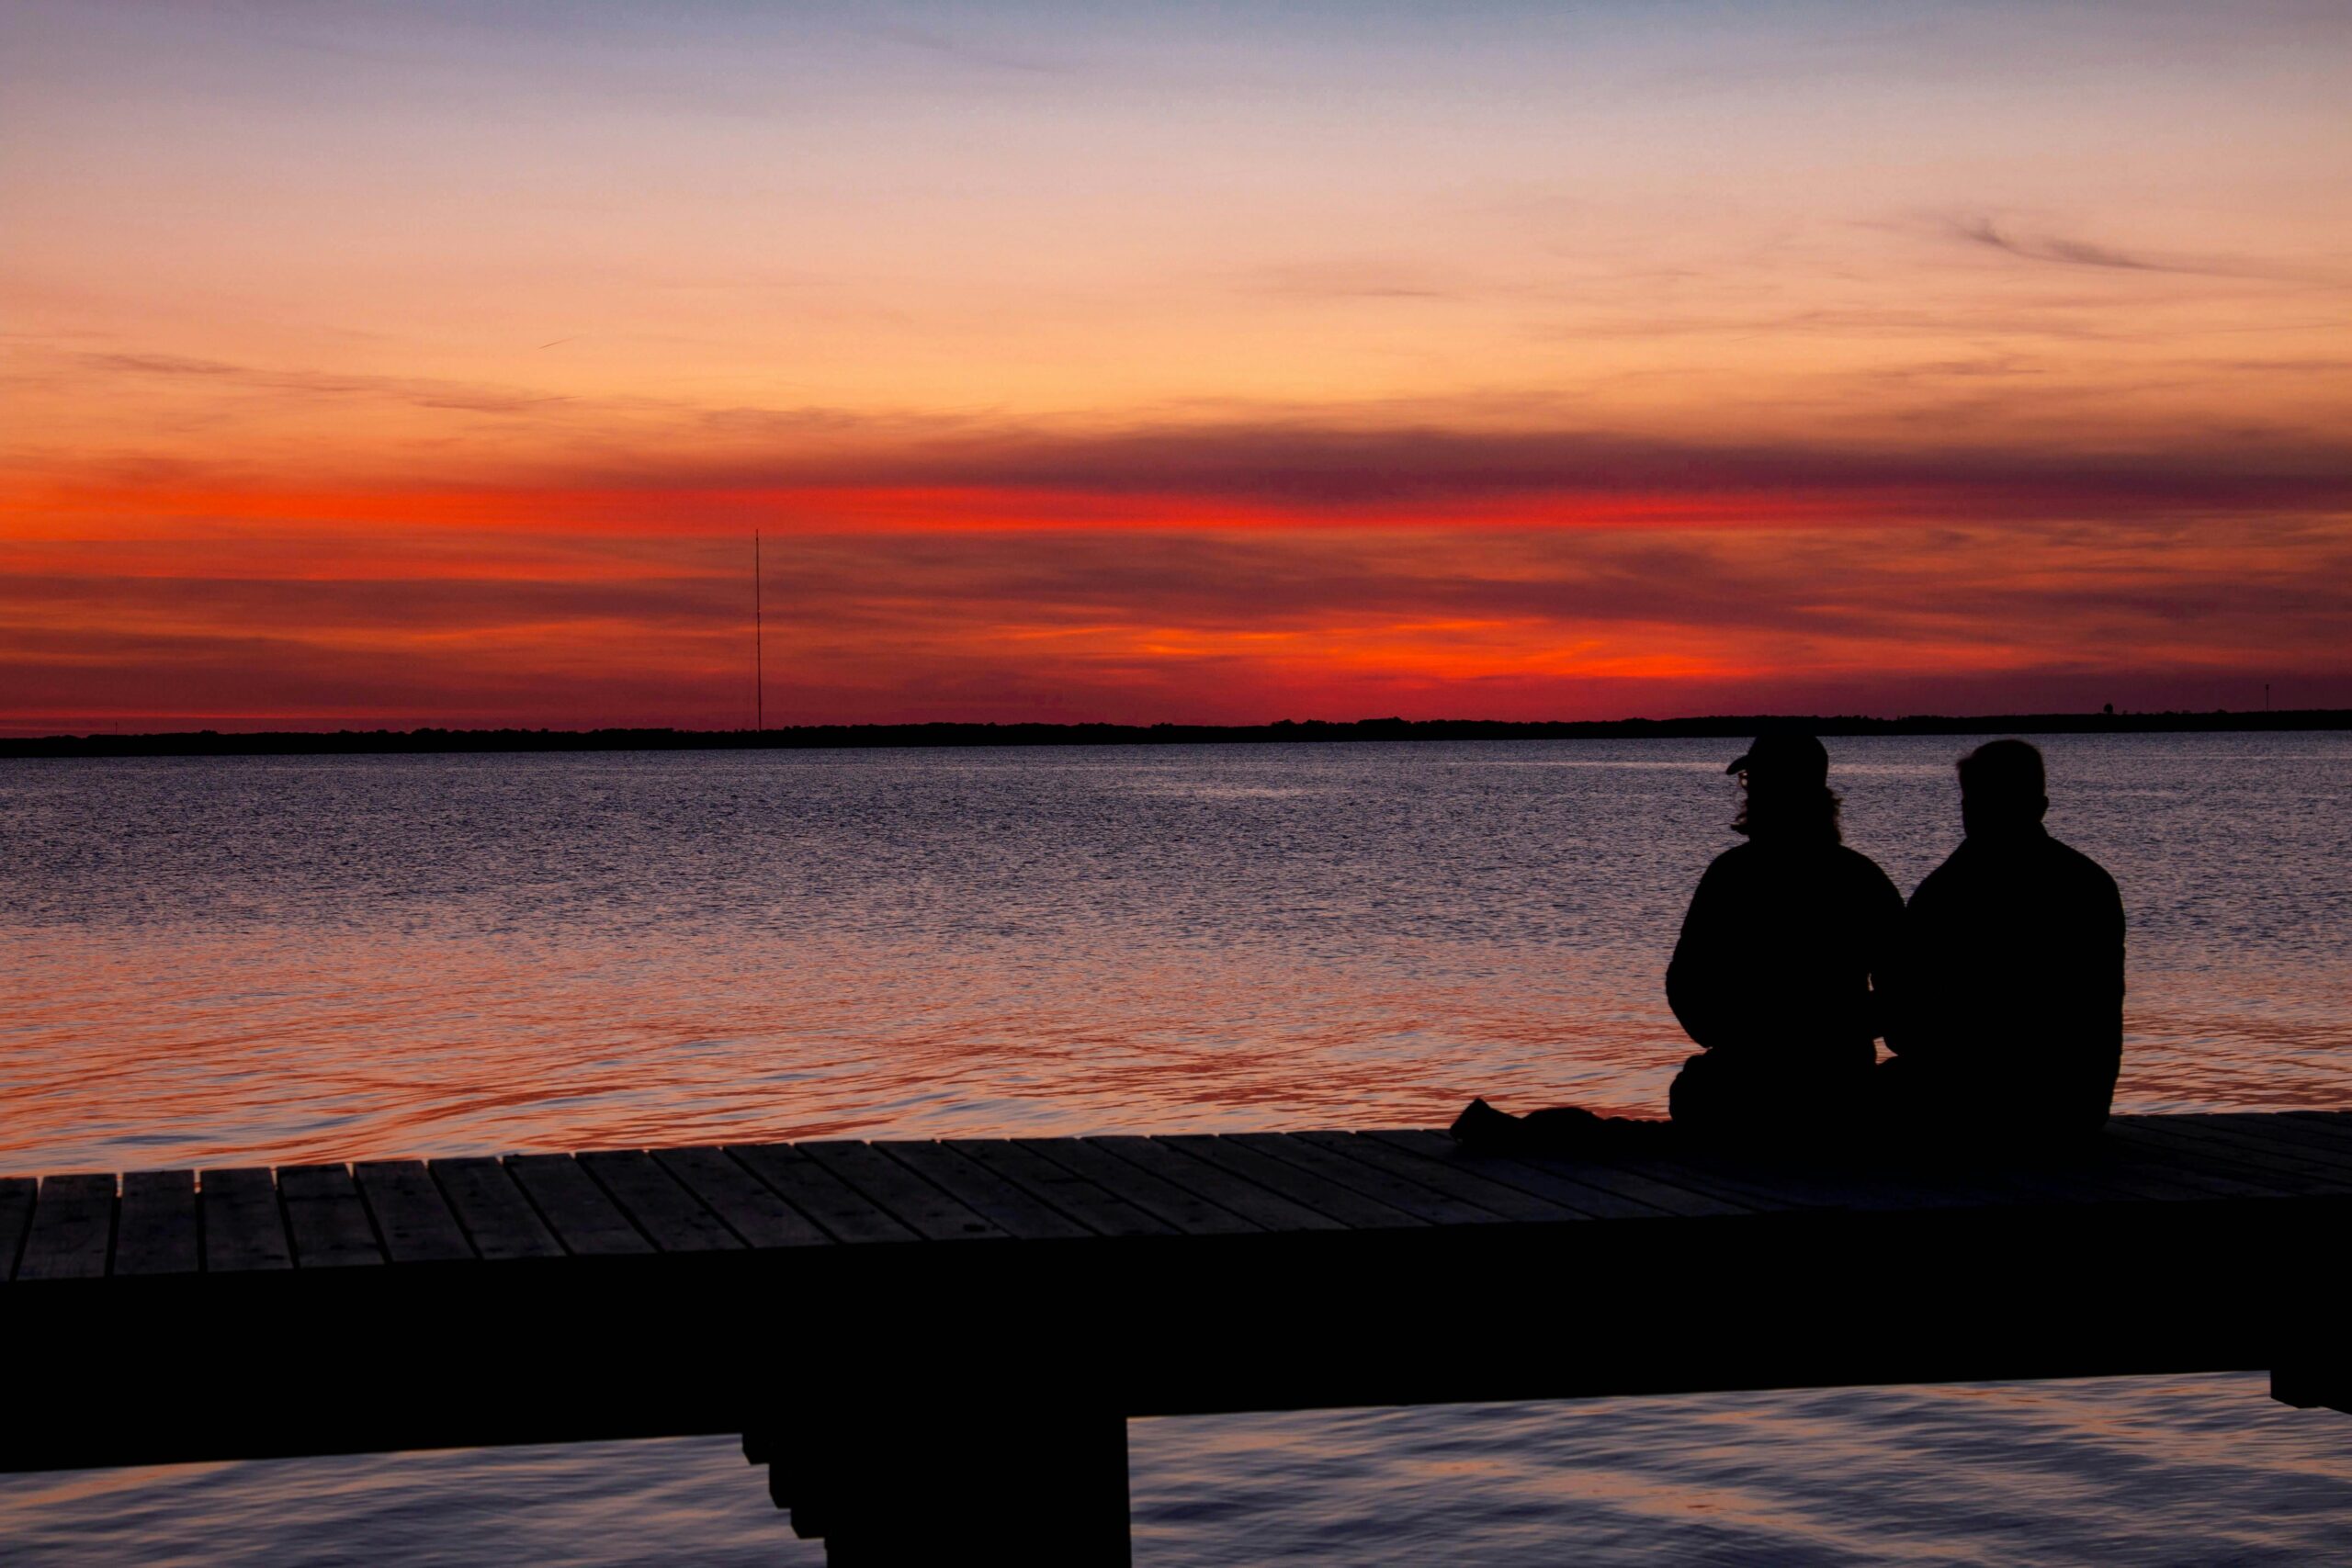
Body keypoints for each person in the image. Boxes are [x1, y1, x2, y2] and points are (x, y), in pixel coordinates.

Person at [1453, 732, 1903, 1152]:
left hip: (1744, 1088)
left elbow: (1686, 983)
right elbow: (1905, 998)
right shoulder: (1861, 878)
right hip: (1837, 1089)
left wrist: (1751, 1037)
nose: (1747, 792)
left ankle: (1512, 1135)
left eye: (1753, 781)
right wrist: (1837, 1032)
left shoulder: (1734, 876)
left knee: (1649, 1133)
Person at [1878, 739, 2123, 1146]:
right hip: (2077, 1106)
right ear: (2041, 807)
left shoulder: (1947, 892)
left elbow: (1906, 1031)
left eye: (1975, 804)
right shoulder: (2090, 883)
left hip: (1978, 1103)